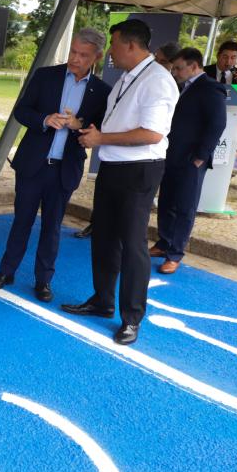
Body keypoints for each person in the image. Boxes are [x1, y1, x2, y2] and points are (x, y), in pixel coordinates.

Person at [63, 19, 178, 346]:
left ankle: (132, 317)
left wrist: (101, 139)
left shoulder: (157, 80)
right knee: (104, 237)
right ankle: (102, 300)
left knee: (132, 243)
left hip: (139, 170)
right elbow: (119, 123)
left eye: (112, 45)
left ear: (130, 45)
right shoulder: (128, 77)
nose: (109, 52)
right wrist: (87, 128)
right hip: (113, 167)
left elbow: (151, 134)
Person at [0, 29, 111, 303]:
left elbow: (100, 128)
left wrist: (79, 124)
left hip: (65, 169)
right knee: (22, 220)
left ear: (97, 57)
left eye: (83, 55)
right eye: (73, 51)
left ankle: (43, 281)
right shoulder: (46, 76)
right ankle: (7, 271)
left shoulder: (102, 91)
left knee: (52, 227)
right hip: (33, 164)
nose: (75, 58)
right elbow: (22, 111)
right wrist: (44, 119)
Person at [151, 48, 227, 274]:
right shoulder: (181, 86)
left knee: (185, 206)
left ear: (194, 66)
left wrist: (201, 157)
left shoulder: (211, 88)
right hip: (171, 154)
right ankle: (164, 242)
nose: (174, 72)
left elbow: (217, 124)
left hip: (191, 159)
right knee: (166, 200)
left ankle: (175, 253)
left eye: (178, 68)